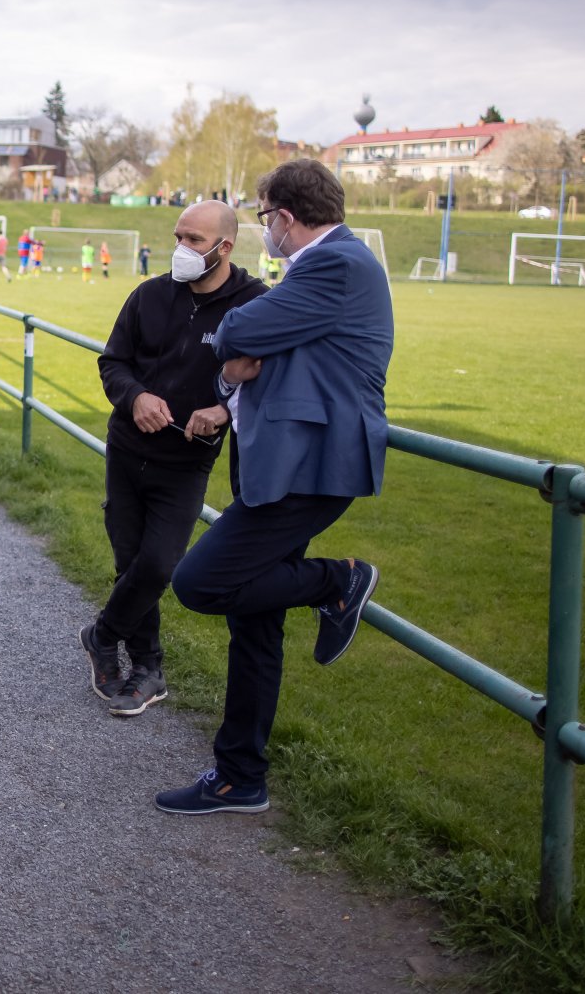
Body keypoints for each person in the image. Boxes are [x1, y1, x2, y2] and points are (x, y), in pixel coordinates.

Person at [159, 159, 391, 816]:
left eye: (265, 217)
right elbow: (246, 357)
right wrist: (236, 368)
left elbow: (236, 329)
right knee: (253, 620)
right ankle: (239, 777)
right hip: (286, 460)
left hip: (312, 466)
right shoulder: (322, 267)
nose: (266, 229)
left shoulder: (333, 263)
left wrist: (238, 349)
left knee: (200, 583)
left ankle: (338, 581)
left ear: (285, 216)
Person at [81, 203, 265, 716]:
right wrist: (135, 396)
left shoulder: (255, 303)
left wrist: (224, 409)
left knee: (159, 565)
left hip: (186, 461)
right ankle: (148, 669)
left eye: (194, 239)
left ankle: (102, 636)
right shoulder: (150, 294)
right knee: (129, 563)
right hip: (126, 450)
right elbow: (113, 363)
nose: (181, 247)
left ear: (225, 247)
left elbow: (269, 375)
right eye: (178, 236)